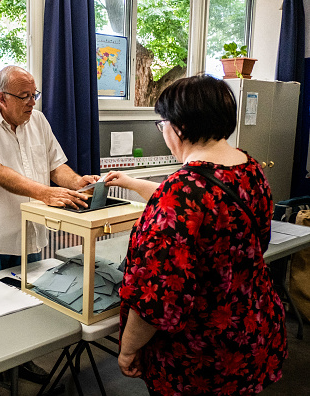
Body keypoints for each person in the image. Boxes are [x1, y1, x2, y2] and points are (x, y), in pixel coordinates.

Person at [104, 75, 287, 395]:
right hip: (250, 330)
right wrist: (132, 183)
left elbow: (155, 301)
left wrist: (128, 348)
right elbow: (196, 204)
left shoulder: (180, 194)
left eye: (163, 125)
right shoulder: (249, 168)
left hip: (199, 357)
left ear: (180, 127)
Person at [0, 65, 99, 275]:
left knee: (30, 300)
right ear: (2, 98)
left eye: (34, 95)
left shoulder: (38, 121)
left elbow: (55, 167)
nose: (33, 102)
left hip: (29, 234)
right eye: (25, 96)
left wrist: (77, 183)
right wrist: (46, 193)